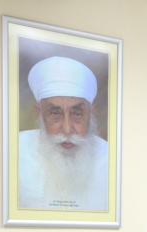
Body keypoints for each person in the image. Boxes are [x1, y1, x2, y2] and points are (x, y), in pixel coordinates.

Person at [19, 56, 108, 211]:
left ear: (91, 113)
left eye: (77, 114)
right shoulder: (15, 150)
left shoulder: (110, 157)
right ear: (38, 112)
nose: (67, 130)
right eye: (55, 113)